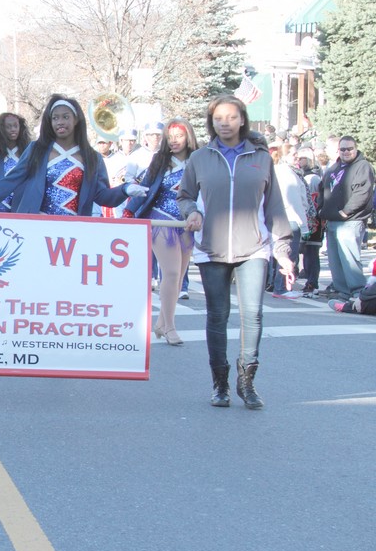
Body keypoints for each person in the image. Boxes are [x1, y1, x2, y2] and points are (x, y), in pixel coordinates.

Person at [177, 95, 295, 410]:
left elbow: (275, 206)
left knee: (252, 314)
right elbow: (185, 195)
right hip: (211, 248)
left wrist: (282, 250)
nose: (225, 122)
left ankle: (247, 381)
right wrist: (191, 211)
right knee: (217, 316)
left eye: (231, 117)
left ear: (242, 119)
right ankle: (220, 383)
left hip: (253, 248)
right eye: (218, 118)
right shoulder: (200, 157)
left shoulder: (260, 157)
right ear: (211, 122)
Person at [0, 95, 147, 215]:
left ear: (76, 120)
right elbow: (9, 182)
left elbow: (103, 196)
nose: (59, 122)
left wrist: (124, 190)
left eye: (65, 117)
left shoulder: (92, 157)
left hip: (72, 233)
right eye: (55, 118)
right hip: (38, 227)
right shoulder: (36, 150)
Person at [123, 118, 198, 346]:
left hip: (187, 222)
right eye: (170, 136)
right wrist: (129, 210)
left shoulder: (198, 160)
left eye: (179, 136)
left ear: (189, 137)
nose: (174, 141)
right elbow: (145, 186)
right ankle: (170, 327)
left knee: (179, 275)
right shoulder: (160, 161)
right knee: (172, 274)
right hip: (161, 220)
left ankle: (161, 323)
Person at [317, 135, 376, 300]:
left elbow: (363, 193)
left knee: (349, 258)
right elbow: (323, 190)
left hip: (351, 220)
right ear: (338, 150)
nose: (346, 152)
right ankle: (343, 291)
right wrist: (322, 210)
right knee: (335, 260)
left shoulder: (363, 166)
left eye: (350, 148)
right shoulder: (334, 168)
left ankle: (358, 292)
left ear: (355, 149)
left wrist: (346, 211)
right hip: (332, 220)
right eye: (343, 149)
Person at [270, 145, 309, 299]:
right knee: (287, 254)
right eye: (293, 154)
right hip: (290, 218)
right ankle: (282, 287)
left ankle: (275, 284)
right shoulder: (287, 173)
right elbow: (295, 201)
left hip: (278, 217)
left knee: (278, 254)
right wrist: (304, 225)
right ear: (283, 155)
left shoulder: (275, 170)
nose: (297, 157)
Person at [297, 148, 324, 295]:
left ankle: (312, 282)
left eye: (302, 158)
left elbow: (315, 200)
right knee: (305, 252)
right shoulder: (302, 176)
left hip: (314, 220)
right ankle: (308, 280)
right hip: (305, 219)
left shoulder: (313, 178)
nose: (299, 161)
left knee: (311, 252)